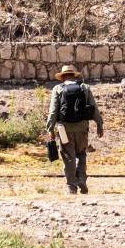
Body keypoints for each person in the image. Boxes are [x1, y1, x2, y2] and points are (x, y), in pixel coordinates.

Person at [46, 63, 104, 194]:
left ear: (62, 77)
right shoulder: (84, 87)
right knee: (82, 154)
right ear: (74, 76)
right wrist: (99, 124)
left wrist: (50, 129)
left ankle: (72, 186)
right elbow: (93, 107)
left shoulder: (58, 89)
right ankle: (82, 179)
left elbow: (53, 111)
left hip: (65, 130)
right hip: (82, 128)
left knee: (68, 157)